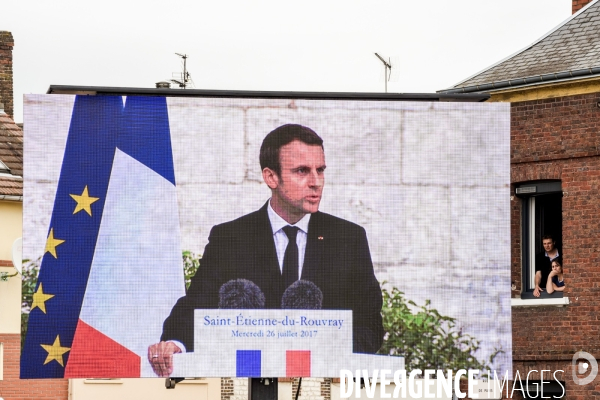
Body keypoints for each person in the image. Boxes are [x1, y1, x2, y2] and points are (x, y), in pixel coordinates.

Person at [148, 124, 384, 377]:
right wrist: (176, 345)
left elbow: (368, 322)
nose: (316, 182)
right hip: (248, 382)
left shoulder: (349, 238)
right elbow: (196, 308)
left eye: (320, 170)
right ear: (271, 177)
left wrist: (327, 357)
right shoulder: (230, 237)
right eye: (302, 171)